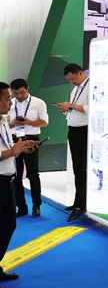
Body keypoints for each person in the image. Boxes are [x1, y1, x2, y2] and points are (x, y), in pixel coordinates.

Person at [0, 82, 40, 288]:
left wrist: (21, 148)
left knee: (8, 225)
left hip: (7, 181)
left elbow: (7, 149)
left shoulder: (3, 122)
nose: (11, 102)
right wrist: (14, 151)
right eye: (7, 98)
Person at [7, 79, 48, 217]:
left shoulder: (38, 103)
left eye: (22, 92)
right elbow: (4, 122)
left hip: (32, 139)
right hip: (14, 140)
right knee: (16, 175)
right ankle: (21, 207)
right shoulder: (9, 103)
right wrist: (12, 123)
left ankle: (36, 205)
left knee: (32, 174)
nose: (19, 96)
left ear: (27, 89)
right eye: (16, 93)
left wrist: (28, 122)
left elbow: (44, 122)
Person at [56, 64, 90, 223]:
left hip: (84, 131)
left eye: (72, 78)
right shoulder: (76, 89)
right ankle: (78, 201)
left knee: (81, 169)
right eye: (69, 79)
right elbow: (75, 108)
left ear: (80, 72)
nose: (71, 81)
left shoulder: (92, 86)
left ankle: (81, 204)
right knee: (77, 168)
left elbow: (93, 107)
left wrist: (71, 106)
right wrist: (66, 108)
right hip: (74, 130)